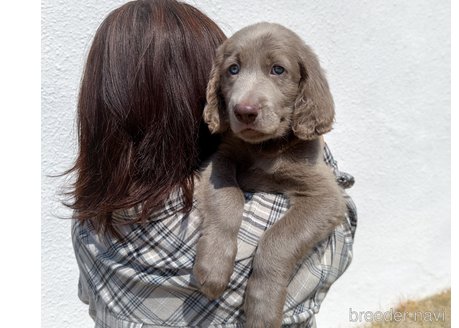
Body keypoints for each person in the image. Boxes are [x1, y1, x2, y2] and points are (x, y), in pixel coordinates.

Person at [67, 0, 357, 327]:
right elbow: (340, 226)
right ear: (200, 89)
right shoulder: (256, 224)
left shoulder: (87, 224)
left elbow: (87, 299)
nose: (243, 98)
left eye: (277, 70)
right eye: (232, 70)